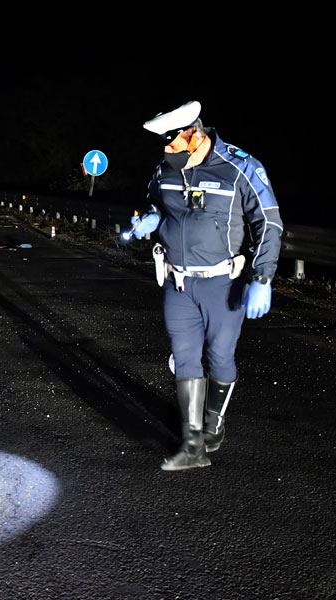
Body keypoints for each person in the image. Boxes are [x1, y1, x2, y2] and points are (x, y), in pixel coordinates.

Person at [129, 100, 283, 471]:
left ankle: (214, 420)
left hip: (222, 284)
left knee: (219, 357)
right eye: (165, 148)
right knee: (184, 357)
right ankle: (193, 446)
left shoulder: (240, 167)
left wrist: (263, 278)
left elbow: (269, 224)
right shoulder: (165, 169)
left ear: (195, 134)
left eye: (175, 146)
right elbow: (153, 202)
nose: (170, 155)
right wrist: (148, 219)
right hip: (179, 283)